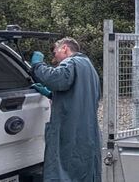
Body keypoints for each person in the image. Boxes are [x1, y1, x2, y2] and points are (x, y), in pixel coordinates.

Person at [31, 37, 101, 182]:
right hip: (86, 130)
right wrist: (51, 94)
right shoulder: (88, 66)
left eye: (55, 52)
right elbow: (79, 95)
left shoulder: (72, 62)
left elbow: (57, 78)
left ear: (64, 48)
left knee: (67, 171)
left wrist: (37, 65)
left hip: (72, 131)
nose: (54, 57)